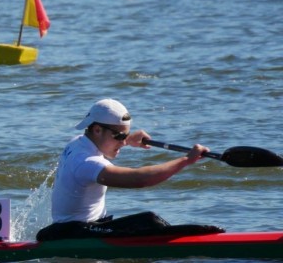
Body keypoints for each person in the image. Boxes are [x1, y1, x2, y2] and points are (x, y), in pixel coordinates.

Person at [37, 98, 219, 241]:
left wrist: (128, 140)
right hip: (74, 233)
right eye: (120, 136)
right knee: (149, 220)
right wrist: (186, 160)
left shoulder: (78, 142)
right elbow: (140, 180)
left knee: (146, 223)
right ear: (97, 130)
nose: (123, 141)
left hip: (78, 228)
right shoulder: (86, 162)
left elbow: (106, 143)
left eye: (125, 136)